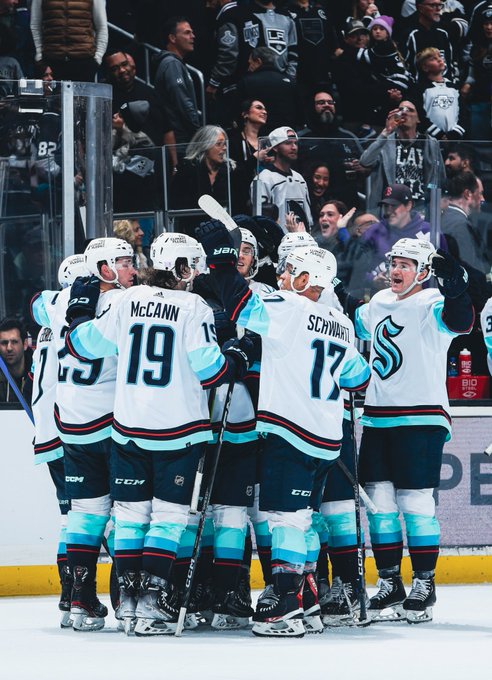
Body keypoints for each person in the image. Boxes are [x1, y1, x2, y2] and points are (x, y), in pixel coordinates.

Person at [64, 232, 255, 636]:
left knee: (131, 517)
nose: (199, 272)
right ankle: (152, 600)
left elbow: (84, 346)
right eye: (194, 264)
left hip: (128, 429)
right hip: (179, 433)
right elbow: (212, 372)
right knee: (168, 518)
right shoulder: (194, 307)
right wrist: (238, 355)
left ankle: (130, 604)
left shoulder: (126, 300)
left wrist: (77, 313)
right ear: (182, 268)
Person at [197, 220, 370, 637]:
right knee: (305, 517)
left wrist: (220, 255)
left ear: (307, 278)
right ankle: (308, 597)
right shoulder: (341, 321)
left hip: (290, 432)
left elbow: (239, 303)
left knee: (287, 519)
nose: (281, 274)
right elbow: (358, 378)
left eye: (289, 268)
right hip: (329, 437)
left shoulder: (287, 308)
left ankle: (287, 599)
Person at [334, 237, 473, 623]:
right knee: (379, 507)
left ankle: (424, 584)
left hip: (422, 417)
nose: (396, 270)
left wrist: (456, 285)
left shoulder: (431, 303)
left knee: (416, 504)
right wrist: (332, 286)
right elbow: (350, 314)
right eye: (394, 262)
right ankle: (391, 582)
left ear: (423, 272)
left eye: (406, 264)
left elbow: (461, 321)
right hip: (378, 416)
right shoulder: (378, 303)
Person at [31, 237, 137, 632]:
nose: (132, 268)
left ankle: (78, 599)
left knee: (83, 515)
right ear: (105, 269)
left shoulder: (58, 302)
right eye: (124, 262)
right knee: (128, 512)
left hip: (70, 424)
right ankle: (128, 601)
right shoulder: (125, 303)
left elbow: (35, 305)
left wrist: (73, 294)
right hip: (111, 421)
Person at [30, 253, 89, 628]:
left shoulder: (48, 319)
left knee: (70, 515)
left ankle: (70, 597)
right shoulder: (72, 311)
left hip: (49, 433)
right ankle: (83, 594)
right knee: (96, 513)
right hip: (70, 428)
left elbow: (38, 301)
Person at [359, 99, 445, 213]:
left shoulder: (430, 143)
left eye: (410, 110)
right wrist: (385, 133)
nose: (404, 112)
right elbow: (365, 161)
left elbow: (440, 178)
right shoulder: (385, 142)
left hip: (421, 208)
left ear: (418, 119)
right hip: (391, 208)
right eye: (400, 110)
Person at [297, 89, 364, 208]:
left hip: (346, 203)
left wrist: (361, 167)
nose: (327, 105)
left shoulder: (349, 137)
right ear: (312, 107)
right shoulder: (301, 138)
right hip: (311, 202)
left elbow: (365, 167)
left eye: (330, 102)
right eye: (321, 102)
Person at [360, 183, 433, 293]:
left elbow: (442, 270)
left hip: (419, 300)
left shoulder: (428, 231)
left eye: (394, 206)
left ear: (409, 205)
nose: (389, 211)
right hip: (381, 299)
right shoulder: (373, 232)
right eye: (386, 206)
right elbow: (354, 267)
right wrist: (372, 279)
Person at [171, 124, 243, 224]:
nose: (224, 148)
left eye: (225, 144)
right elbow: (177, 204)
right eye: (219, 144)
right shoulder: (187, 170)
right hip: (194, 228)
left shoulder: (231, 170)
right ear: (205, 146)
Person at [30, 0, 108, 82]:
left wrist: (97, 59)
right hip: (51, 60)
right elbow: (35, 25)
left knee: (82, 95)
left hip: (84, 61)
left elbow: (102, 27)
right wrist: (39, 56)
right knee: (52, 94)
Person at [253, 126, 313, 231]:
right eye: (288, 143)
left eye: (295, 143)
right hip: (278, 242)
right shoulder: (264, 179)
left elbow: (307, 216)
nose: (294, 147)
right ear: (275, 147)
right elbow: (261, 219)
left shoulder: (299, 178)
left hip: (302, 241)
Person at [154, 17, 201, 145]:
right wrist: (198, 132)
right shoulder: (171, 64)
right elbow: (183, 102)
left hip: (181, 136)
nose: (193, 36)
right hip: (181, 139)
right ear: (173, 38)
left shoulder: (175, 63)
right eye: (187, 32)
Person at [235, 46, 299, 132]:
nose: (249, 67)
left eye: (250, 63)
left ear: (258, 61)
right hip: (285, 137)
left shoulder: (246, 82)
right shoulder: (290, 82)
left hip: (259, 136)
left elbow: (238, 112)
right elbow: (300, 114)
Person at [412, 47, 465, 139]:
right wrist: (438, 134)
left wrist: (455, 133)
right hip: (430, 138)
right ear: (425, 67)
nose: (439, 60)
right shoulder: (420, 89)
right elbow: (420, 115)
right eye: (433, 59)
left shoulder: (454, 87)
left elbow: (464, 113)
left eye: (440, 56)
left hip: (454, 138)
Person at [460, 7, 492, 140]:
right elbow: (472, 73)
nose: (489, 27)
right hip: (480, 99)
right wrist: (467, 84)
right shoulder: (477, 46)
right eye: (486, 23)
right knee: (480, 140)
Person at [0, 317, 32, 405]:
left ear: (25, 344)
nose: (9, 348)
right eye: (4, 343)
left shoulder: (39, 372)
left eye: (14, 342)